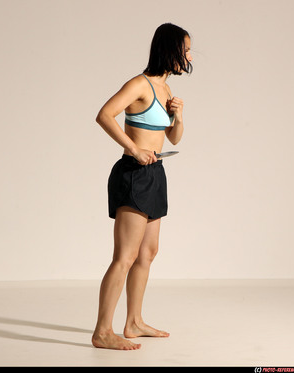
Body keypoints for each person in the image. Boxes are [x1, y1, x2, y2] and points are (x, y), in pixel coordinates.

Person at [92, 23, 193, 350]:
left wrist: (178, 116)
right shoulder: (139, 84)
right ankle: (102, 332)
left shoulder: (165, 90)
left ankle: (133, 322)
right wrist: (134, 149)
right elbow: (105, 114)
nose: (190, 56)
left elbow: (173, 138)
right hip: (134, 173)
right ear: (170, 51)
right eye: (186, 50)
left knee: (147, 253)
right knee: (125, 255)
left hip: (156, 173)